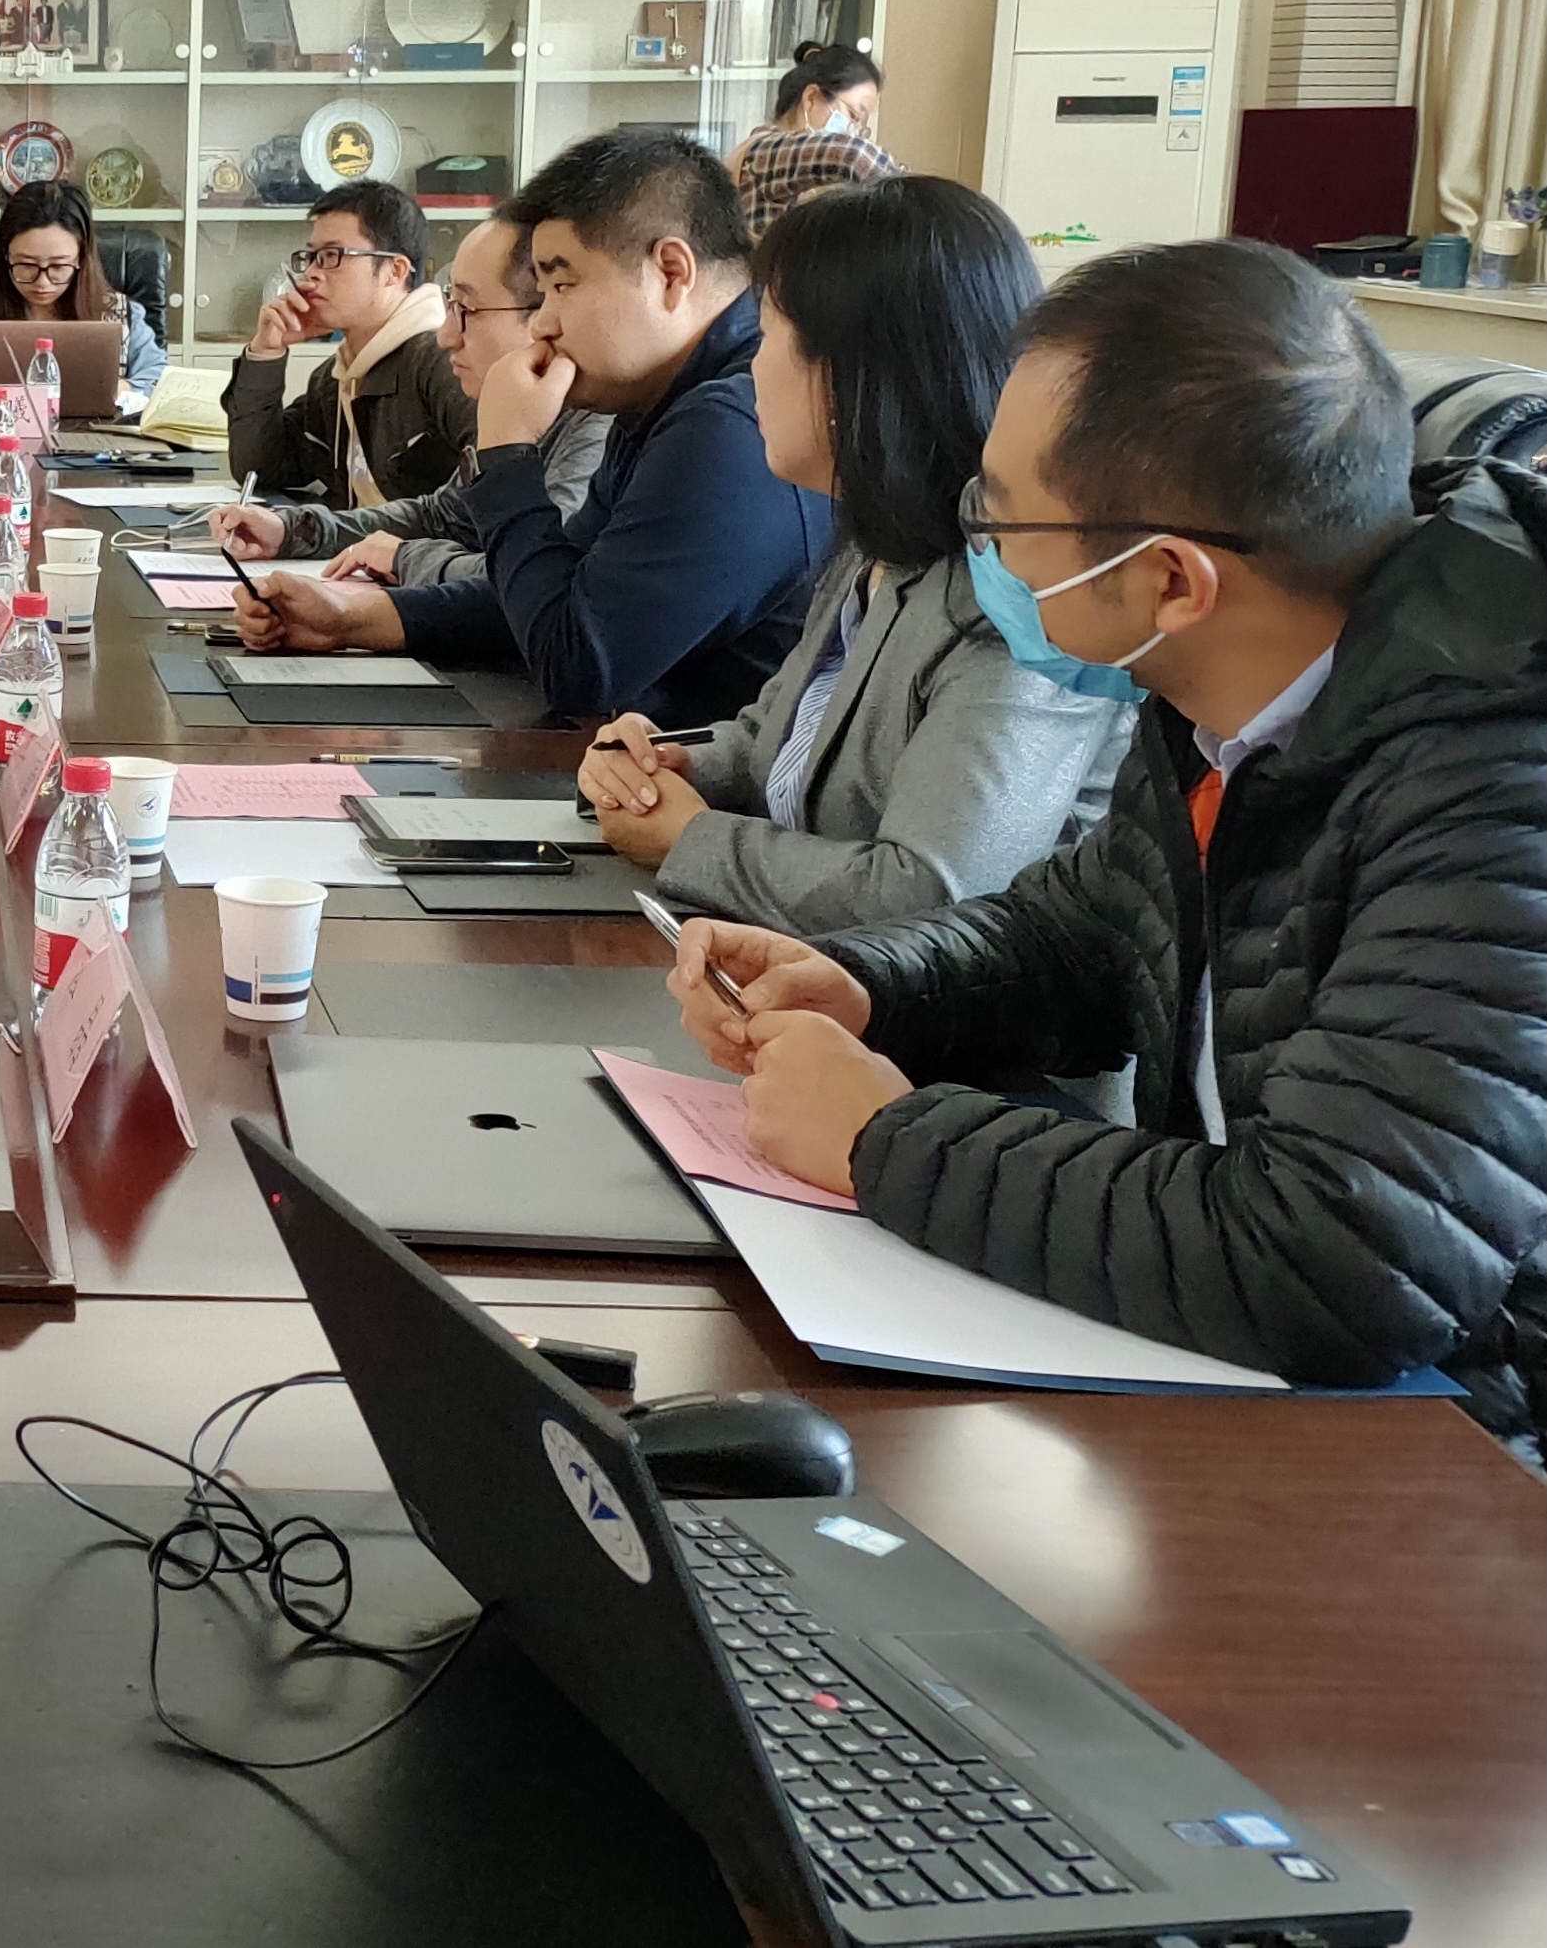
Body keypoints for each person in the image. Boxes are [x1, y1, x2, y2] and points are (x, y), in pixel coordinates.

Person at [663, 240, 1547, 1439]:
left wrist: (882, 1138)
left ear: (1171, 579)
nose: (980, 545)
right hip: (1258, 1377)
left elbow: (1346, 1255)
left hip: (1468, 1450)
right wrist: (869, 982)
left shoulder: (1492, 778)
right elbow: (1080, 934)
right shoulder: (1224, 696)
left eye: (1001, 511)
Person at [580, 174, 1127, 936]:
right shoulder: (875, 545)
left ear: (850, 374)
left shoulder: (1017, 600)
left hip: (923, 1011)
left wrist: (687, 838)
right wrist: (653, 765)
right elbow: (772, 738)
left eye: (769, 335)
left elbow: (931, 895)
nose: (751, 368)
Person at [232, 131, 833, 726]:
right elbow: (554, 596)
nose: (542, 323)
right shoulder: (657, 399)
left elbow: (578, 664)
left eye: (562, 285)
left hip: (710, 781)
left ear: (671, 273)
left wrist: (506, 454)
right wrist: (352, 620)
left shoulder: (729, 423)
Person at [205, 212, 607, 594]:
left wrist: (405, 558)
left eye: (467, 309)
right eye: (450, 305)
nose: (447, 336)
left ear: (545, 315)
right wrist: (291, 530)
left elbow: (537, 579)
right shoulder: (335, 375)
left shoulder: (596, 426)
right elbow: (443, 517)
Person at [219, 178, 474, 509]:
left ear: (395, 270)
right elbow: (259, 469)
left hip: (410, 545)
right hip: (352, 542)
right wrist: (266, 354)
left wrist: (323, 529)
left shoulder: (445, 364)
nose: (311, 274)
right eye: (311, 257)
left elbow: (479, 501)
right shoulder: (336, 377)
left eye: (331, 255)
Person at [0, 179, 166, 403]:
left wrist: (124, 388)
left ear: (81, 259)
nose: (43, 283)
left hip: (97, 432)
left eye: (59, 266)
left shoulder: (121, 314)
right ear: (5, 256)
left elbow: (159, 381)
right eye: (26, 265)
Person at [728, 41, 894, 231]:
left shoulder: (794, 168)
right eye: (854, 115)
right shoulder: (763, 153)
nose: (855, 132)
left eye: (862, 127)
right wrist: (903, 191)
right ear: (811, 98)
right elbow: (856, 155)